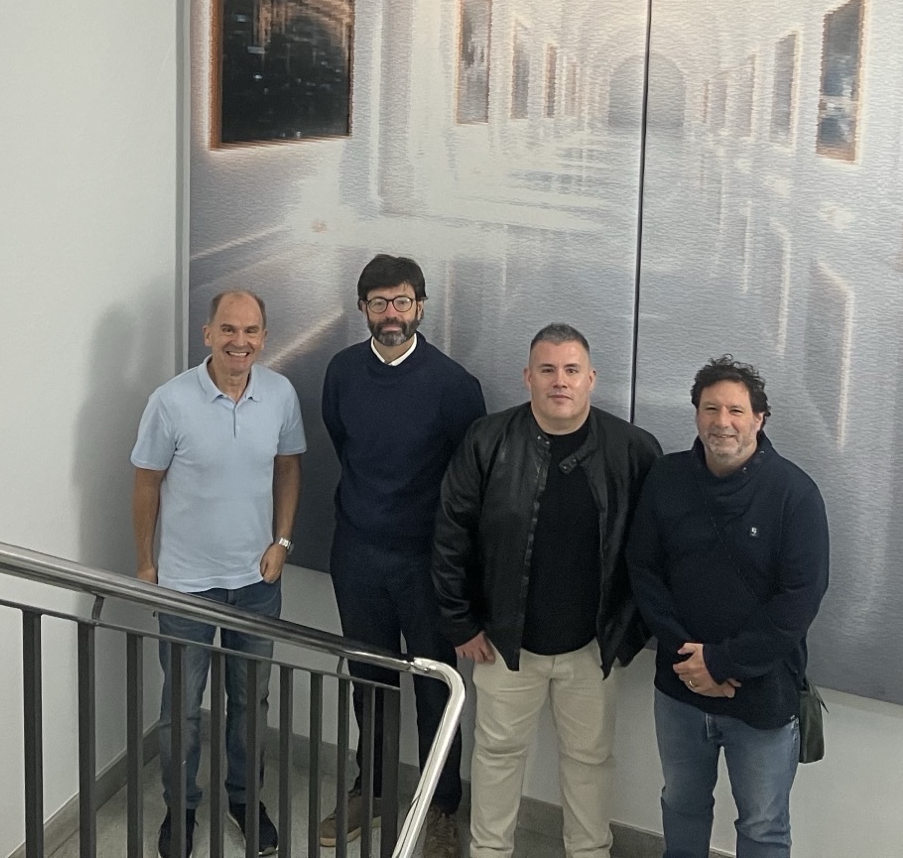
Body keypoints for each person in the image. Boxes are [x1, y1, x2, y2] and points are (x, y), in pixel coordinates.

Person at [433, 324, 661, 858]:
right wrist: (461, 622)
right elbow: (450, 533)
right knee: (497, 755)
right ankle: (489, 852)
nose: (560, 381)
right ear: (528, 377)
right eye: (548, 369)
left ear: (591, 379)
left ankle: (590, 853)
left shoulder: (632, 450)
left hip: (593, 648)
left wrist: (627, 637)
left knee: (590, 761)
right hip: (503, 644)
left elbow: (655, 553)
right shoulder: (487, 440)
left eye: (571, 370)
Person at [626, 358, 829, 858]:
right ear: (696, 414)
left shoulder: (795, 494)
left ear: (760, 418)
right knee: (681, 804)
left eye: (736, 410)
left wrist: (721, 663)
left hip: (762, 695)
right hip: (680, 686)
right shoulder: (666, 477)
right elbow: (644, 571)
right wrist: (689, 659)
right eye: (710, 408)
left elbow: (799, 600)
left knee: (763, 825)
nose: (723, 422)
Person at [320, 254, 485, 858]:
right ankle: (373, 788)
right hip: (356, 554)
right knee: (370, 680)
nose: (391, 314)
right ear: (362, 308)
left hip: (427, 565)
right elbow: (343, 443)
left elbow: (469, 484)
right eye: (379, 303)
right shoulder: (342, 371)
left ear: (420, 306)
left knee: (437, 689)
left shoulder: (454, 386)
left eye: (402, 301)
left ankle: (440, 807)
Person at [132, 290, 304, 858]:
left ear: (264, 338)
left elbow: (288, 469)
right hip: (186, 585)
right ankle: (180, 809)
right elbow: (146, 484)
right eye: (228, 329)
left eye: (251, 331)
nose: (239, 341)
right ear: (207, 334)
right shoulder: (170, 401)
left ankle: (244, 801)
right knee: (181, 710)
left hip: (257, 583)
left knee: (251, 704)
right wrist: (146, 565)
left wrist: (282, 542)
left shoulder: (280, 394)